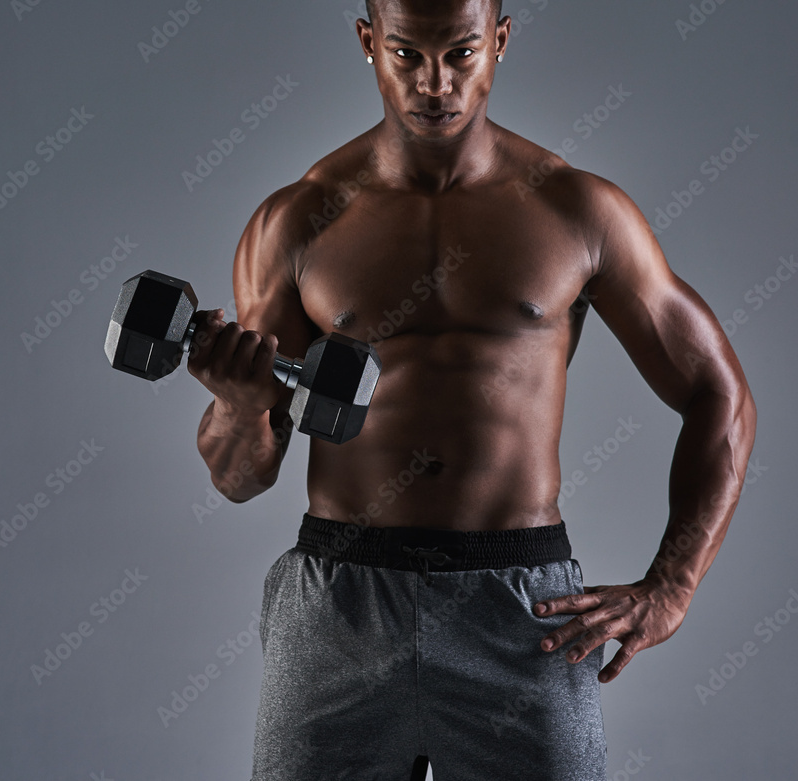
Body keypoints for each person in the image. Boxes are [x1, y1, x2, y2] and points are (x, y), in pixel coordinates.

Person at [186, 0, 757, 777]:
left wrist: (672, 584)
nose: (435, 84)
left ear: (501, 39)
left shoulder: (577, 211)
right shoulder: (298, 222)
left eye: (461, 54)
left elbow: (720, 394)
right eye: (406, 55)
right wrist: (241, 405)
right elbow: (239, 477)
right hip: (341, 601)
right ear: (367, 43)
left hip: (520, 610)